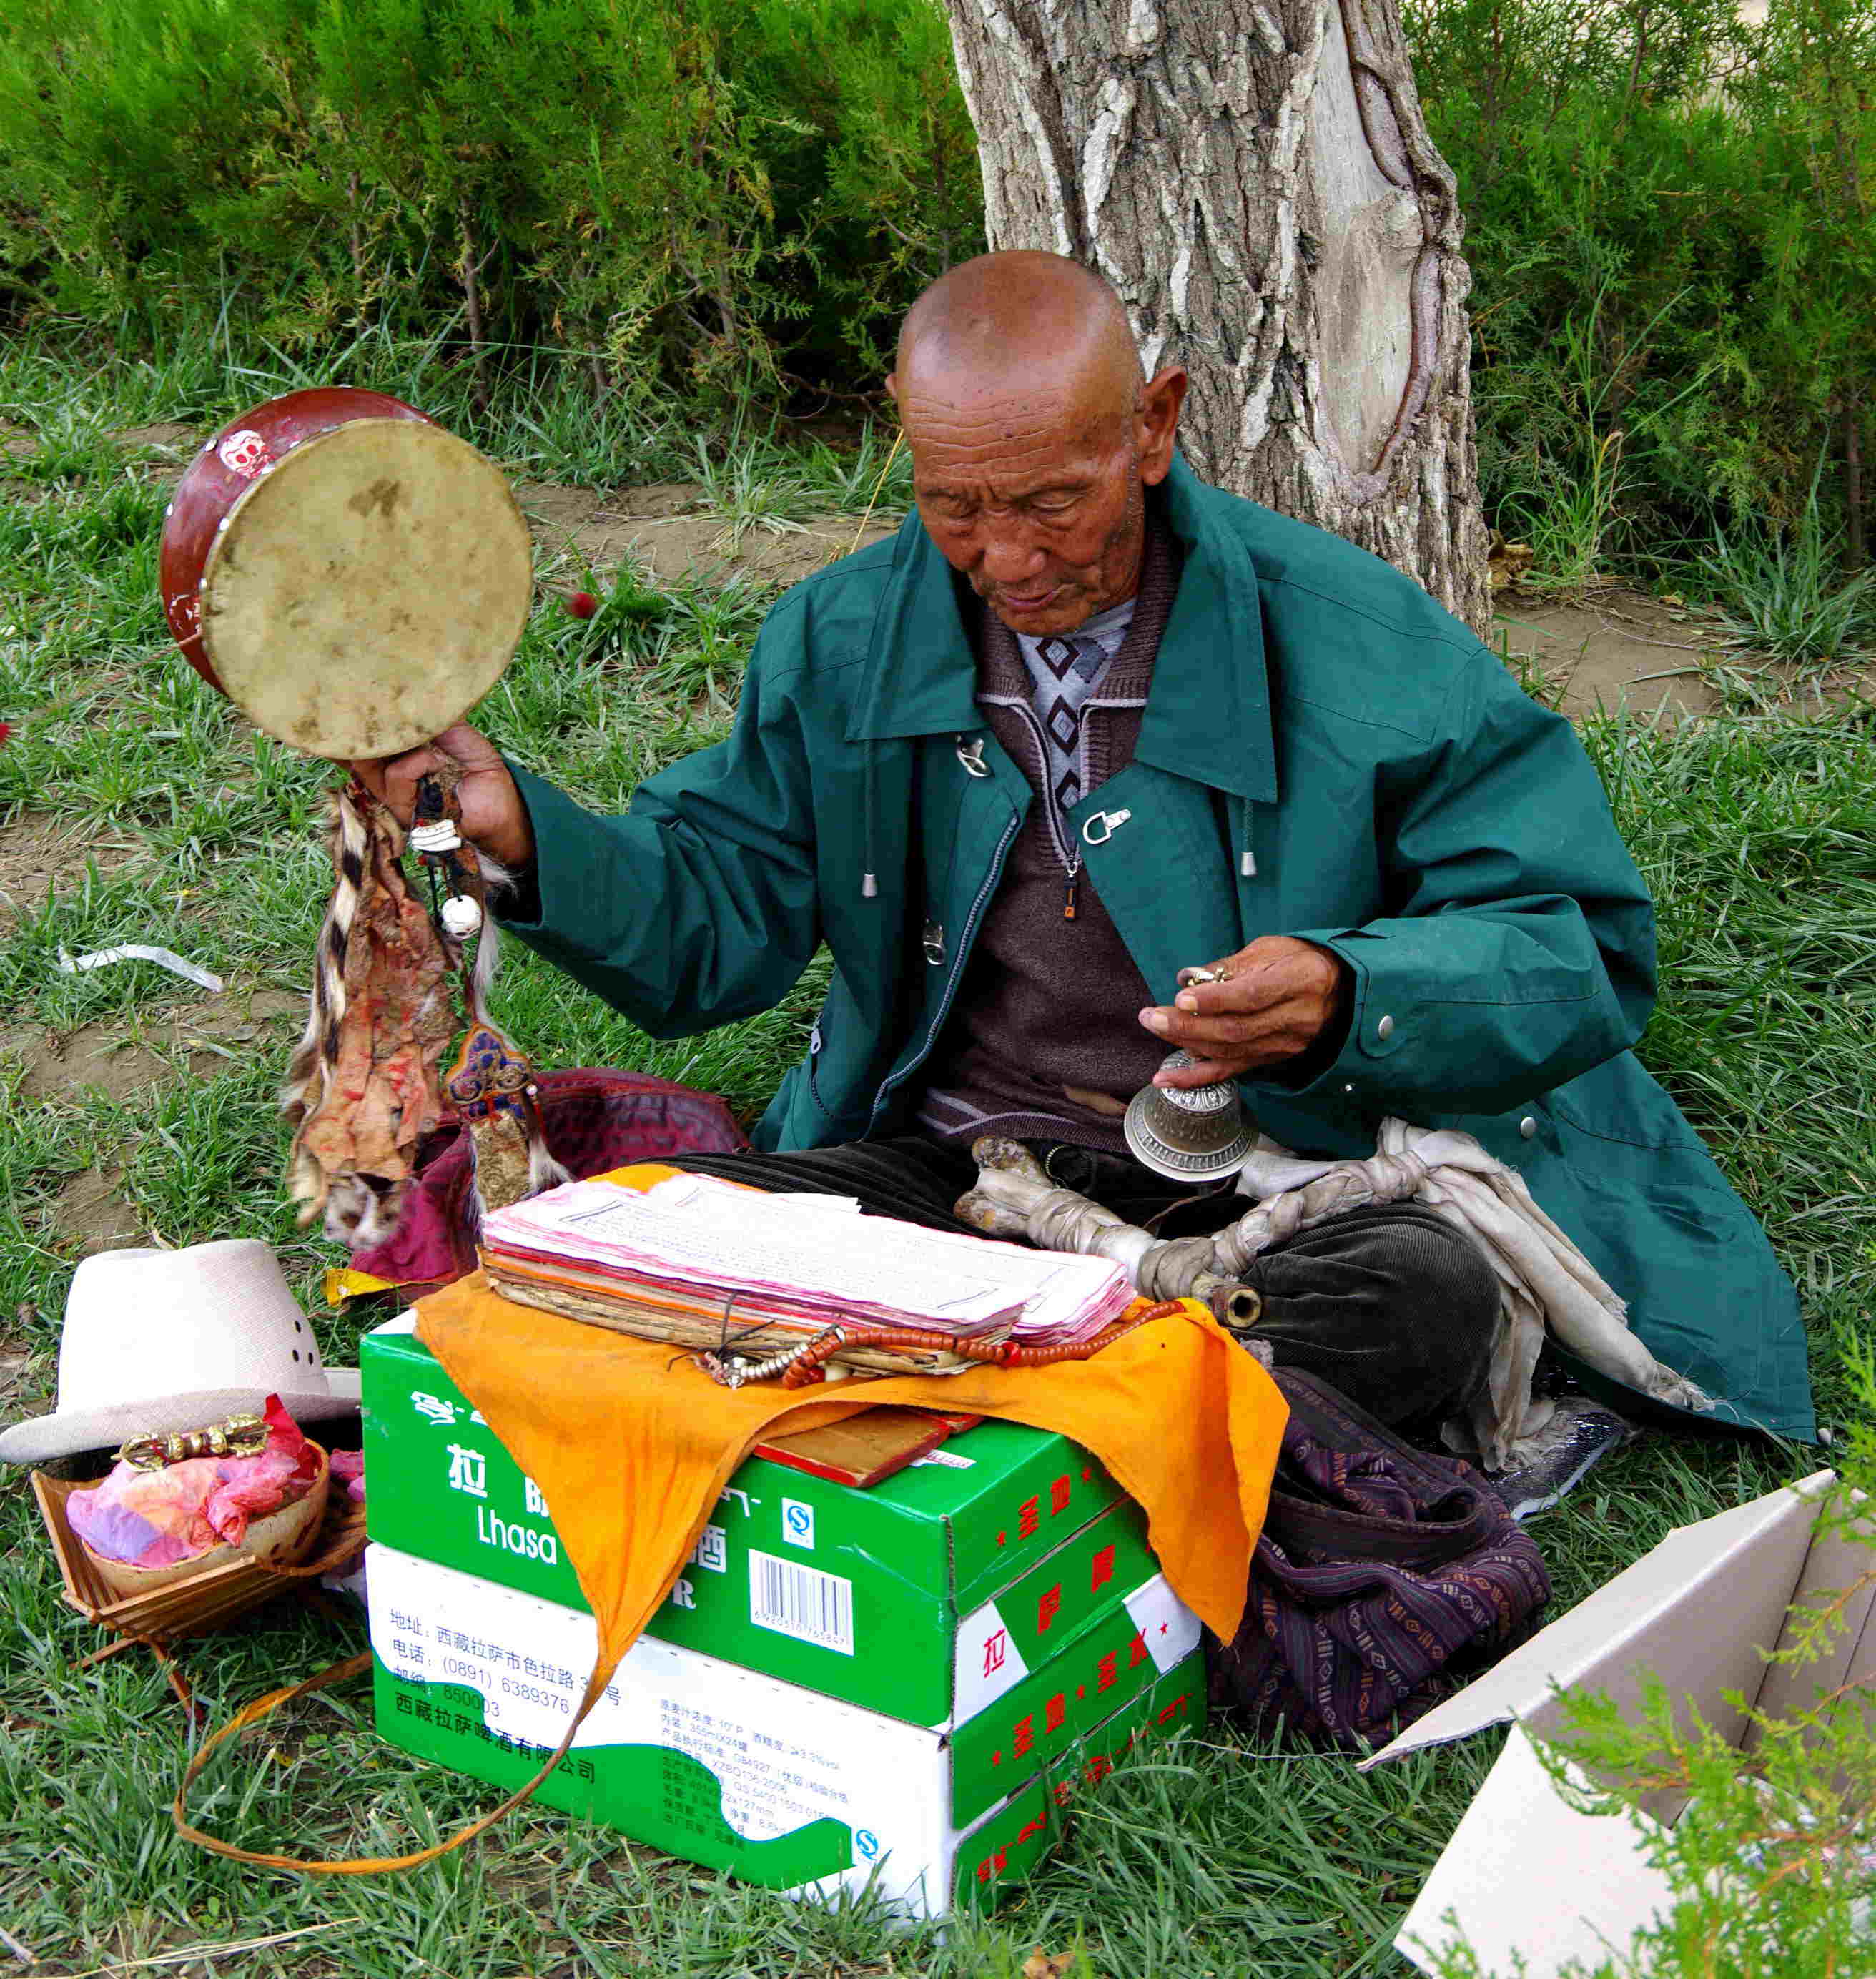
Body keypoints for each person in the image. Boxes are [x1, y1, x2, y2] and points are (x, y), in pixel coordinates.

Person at [355, 251, 1812, 1447]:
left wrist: (1344, 989)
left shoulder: (1358, 642)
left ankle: (968, 1397)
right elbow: (717, 909)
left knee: (1418, 1297)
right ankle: (1111, 1407)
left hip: (1268, 1179)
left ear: (1154, 425)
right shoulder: (844, 635)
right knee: (667, 1243)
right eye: (956, 508)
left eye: (1054, 499)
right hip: (959, 1160)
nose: (1009, 559)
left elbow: (1568, 940)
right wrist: (529, 833)